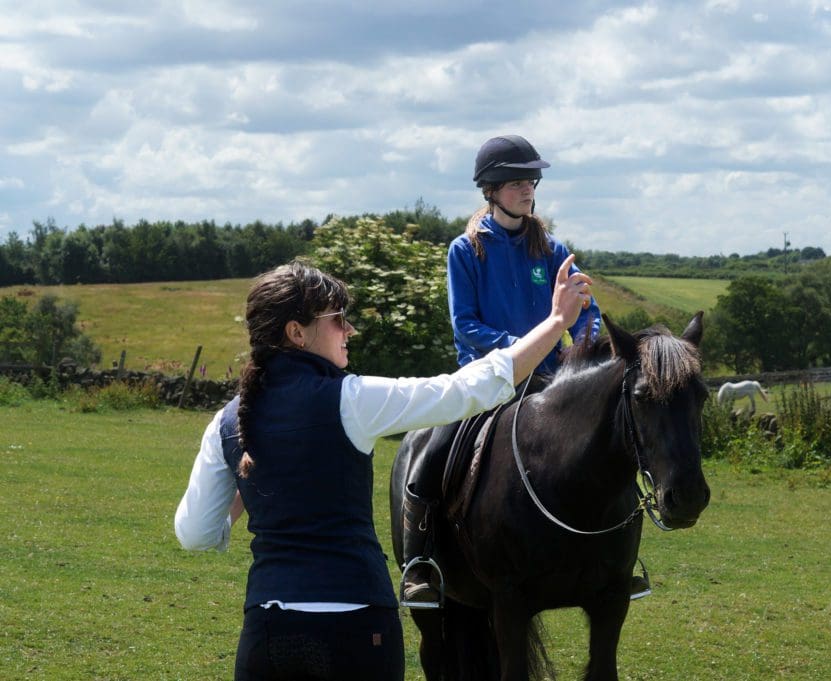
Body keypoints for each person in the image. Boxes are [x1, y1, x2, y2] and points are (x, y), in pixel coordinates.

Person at [174, 257, 591, 681]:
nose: (349, 329)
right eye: (337, 319)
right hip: (355, 630)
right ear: (296, 333)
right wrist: (557, 321)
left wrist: (258, 479)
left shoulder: (227, 422)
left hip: (267, 631)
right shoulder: (352, 399)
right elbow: (469, 389)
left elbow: (196, 533)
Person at [400, 134, 648, 607]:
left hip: (552, 380)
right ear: (491, 189)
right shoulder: (465, 250)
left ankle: (620, 561)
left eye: (531, 181)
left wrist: (587, 342)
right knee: (432, 454)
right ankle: (421, 564)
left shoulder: (552, 247)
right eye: (516, 182)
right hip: (484, 380)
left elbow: (584, 306)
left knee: (612, 448)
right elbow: (465, 325)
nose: (528, 189)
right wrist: (518, 351)